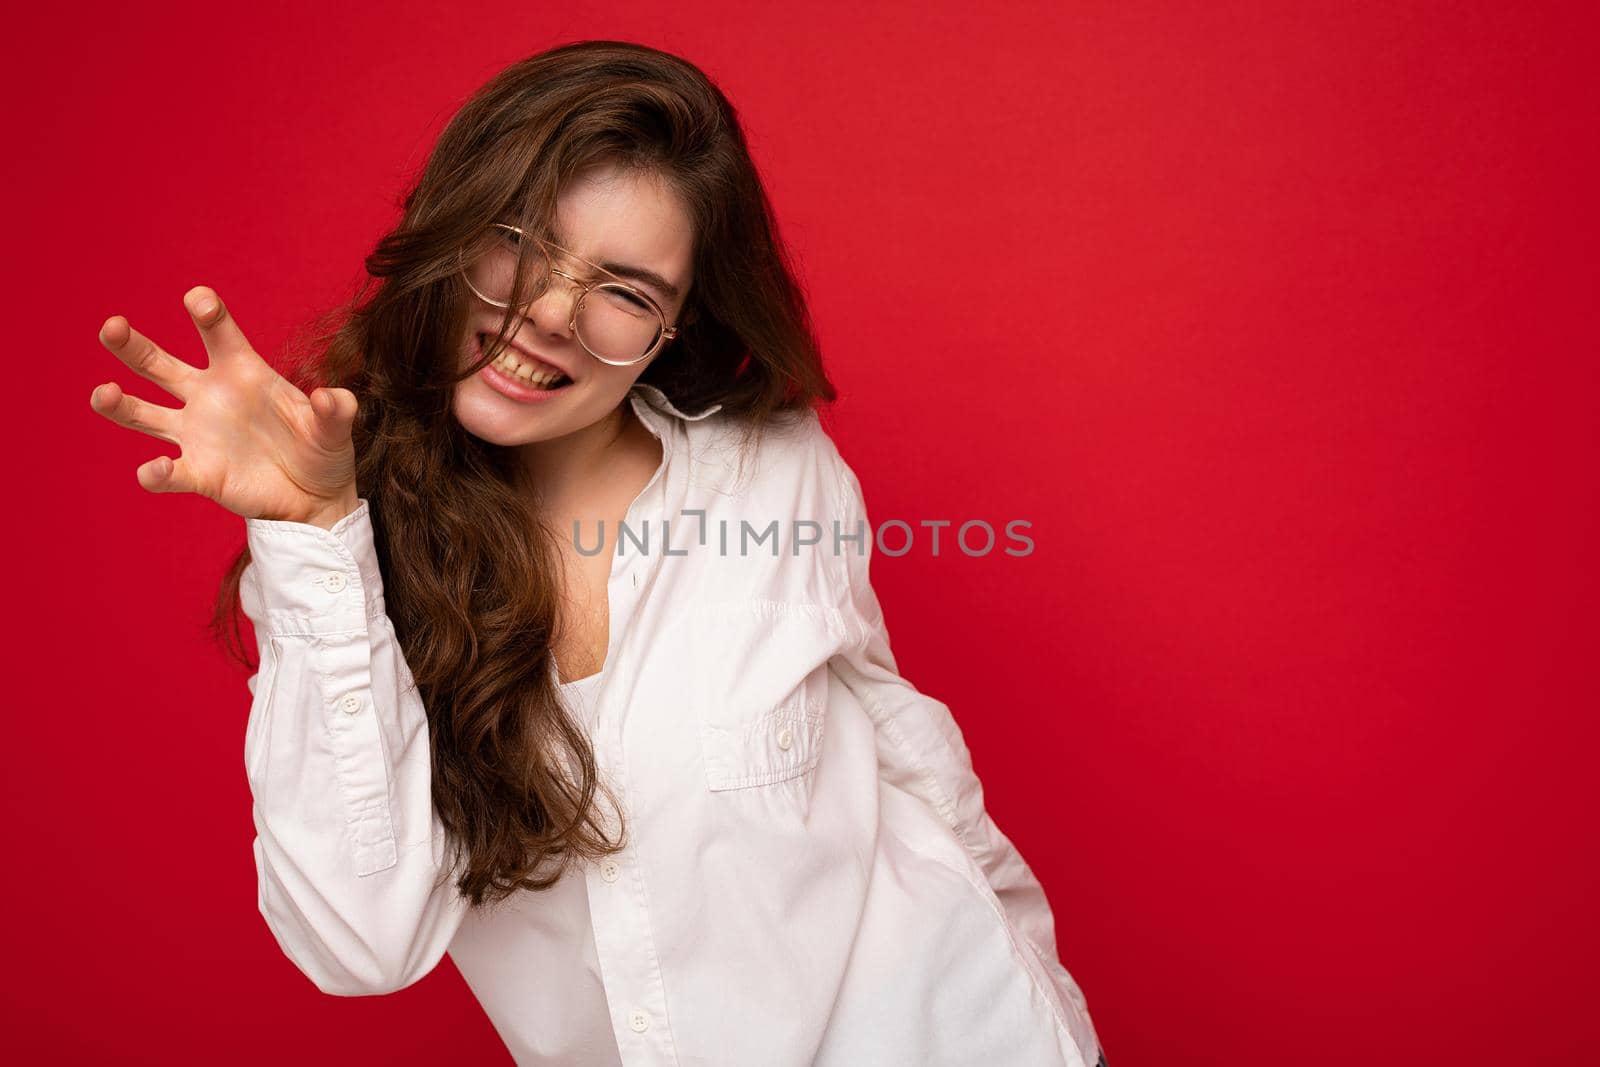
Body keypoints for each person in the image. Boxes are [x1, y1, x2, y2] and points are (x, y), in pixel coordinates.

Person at [89, 39, 1107, 1067]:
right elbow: (364, 945)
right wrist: (313, 535)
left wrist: (1045, 1007)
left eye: (624, 290)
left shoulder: (774, 472)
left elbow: (901, 741)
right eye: (522, 240)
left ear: (673, 326)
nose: (548, 315)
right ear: (452, 228)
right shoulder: (343, 558)